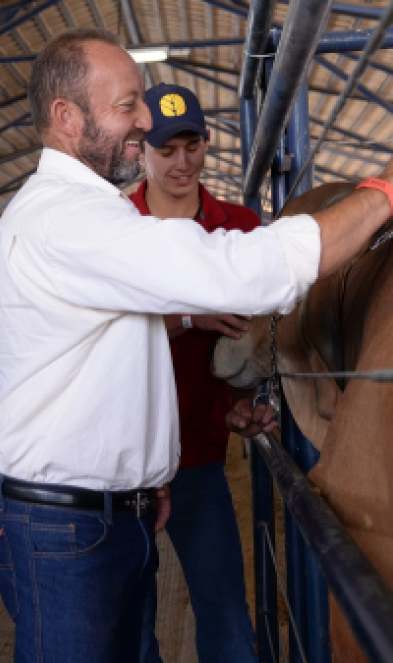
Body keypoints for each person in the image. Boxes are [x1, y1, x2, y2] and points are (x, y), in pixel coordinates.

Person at [0, 26, 393, 663]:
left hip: (118, 505)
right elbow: (245, 269)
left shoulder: (95, 212)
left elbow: (118, 357)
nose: (143, 121)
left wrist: (148, 469)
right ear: (65, 116)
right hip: (66, 523)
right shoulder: (68, 219)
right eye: (127, 106)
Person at [128, 83, 261, 663]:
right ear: (140, 151)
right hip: (120, 463)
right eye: (166, 150)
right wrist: (191, 315)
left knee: (226, 609)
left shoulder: (239, 226)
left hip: (199, 456)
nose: (182, 163)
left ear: (207, 142)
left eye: (192, 145)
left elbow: (267, 328)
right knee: (130, 620)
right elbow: (102, 333)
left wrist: (258, 395)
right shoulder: (114, 229)